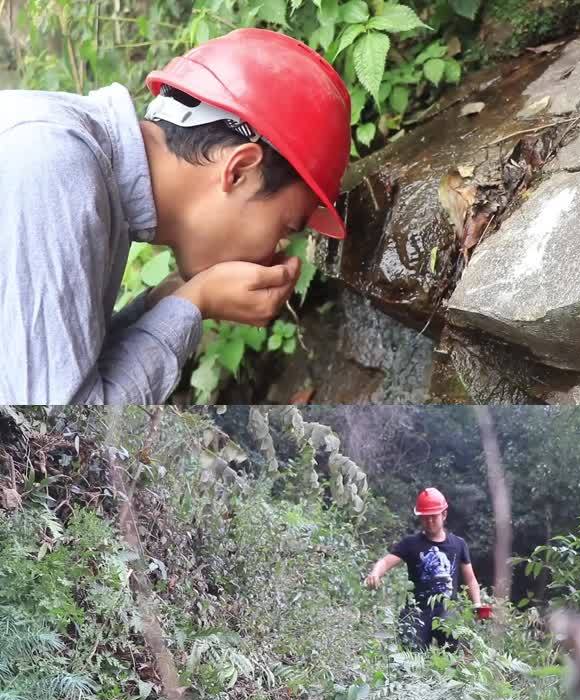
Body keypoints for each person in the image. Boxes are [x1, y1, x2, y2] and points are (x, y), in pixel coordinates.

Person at [0, 28, 351, 404]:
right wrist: (195, 300)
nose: (275, 251)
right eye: (285, 228)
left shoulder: (84, 168)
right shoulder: (53, 164)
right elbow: (60, 442)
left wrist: (166, 302)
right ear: (239, 170)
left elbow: (73, 379)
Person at [364, 487, 488, 651]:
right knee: (411, 661)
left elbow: (470, 578)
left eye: (433, 517)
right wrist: (375, 573)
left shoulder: (458, 545)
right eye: (424, 518)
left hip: (446, 611)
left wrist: (477, 604)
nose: (429, 522)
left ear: (444, 515)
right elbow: (386, 562)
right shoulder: (411, 544)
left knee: (452, 656)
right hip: (417, 612)